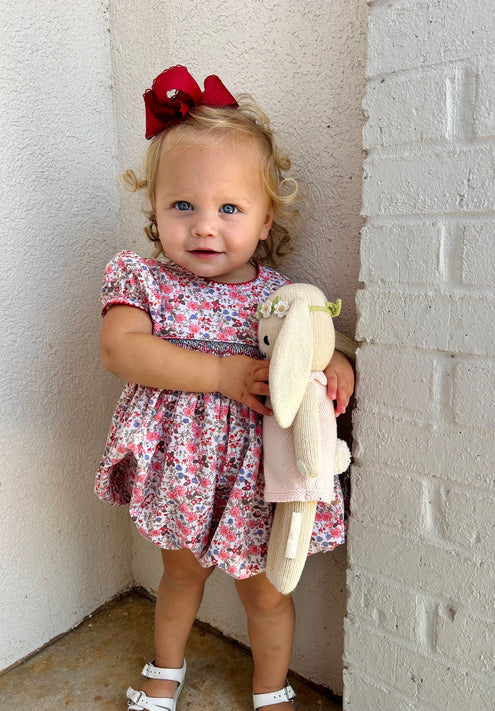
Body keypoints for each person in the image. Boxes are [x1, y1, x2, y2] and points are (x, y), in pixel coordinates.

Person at [95, 65, 354, 711]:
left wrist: (340, 365)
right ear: (154, 210)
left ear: (267, 220)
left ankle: (271, 687)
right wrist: (221, 373)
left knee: (268, 588)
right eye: (182, 205)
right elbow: (120, 349)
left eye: (229, 208)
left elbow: (318, 345)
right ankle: (165, 669)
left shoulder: (282, 295)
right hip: (183, 467)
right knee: (181, 573)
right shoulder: (143, 278)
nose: (204, 226)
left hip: (256, 474)